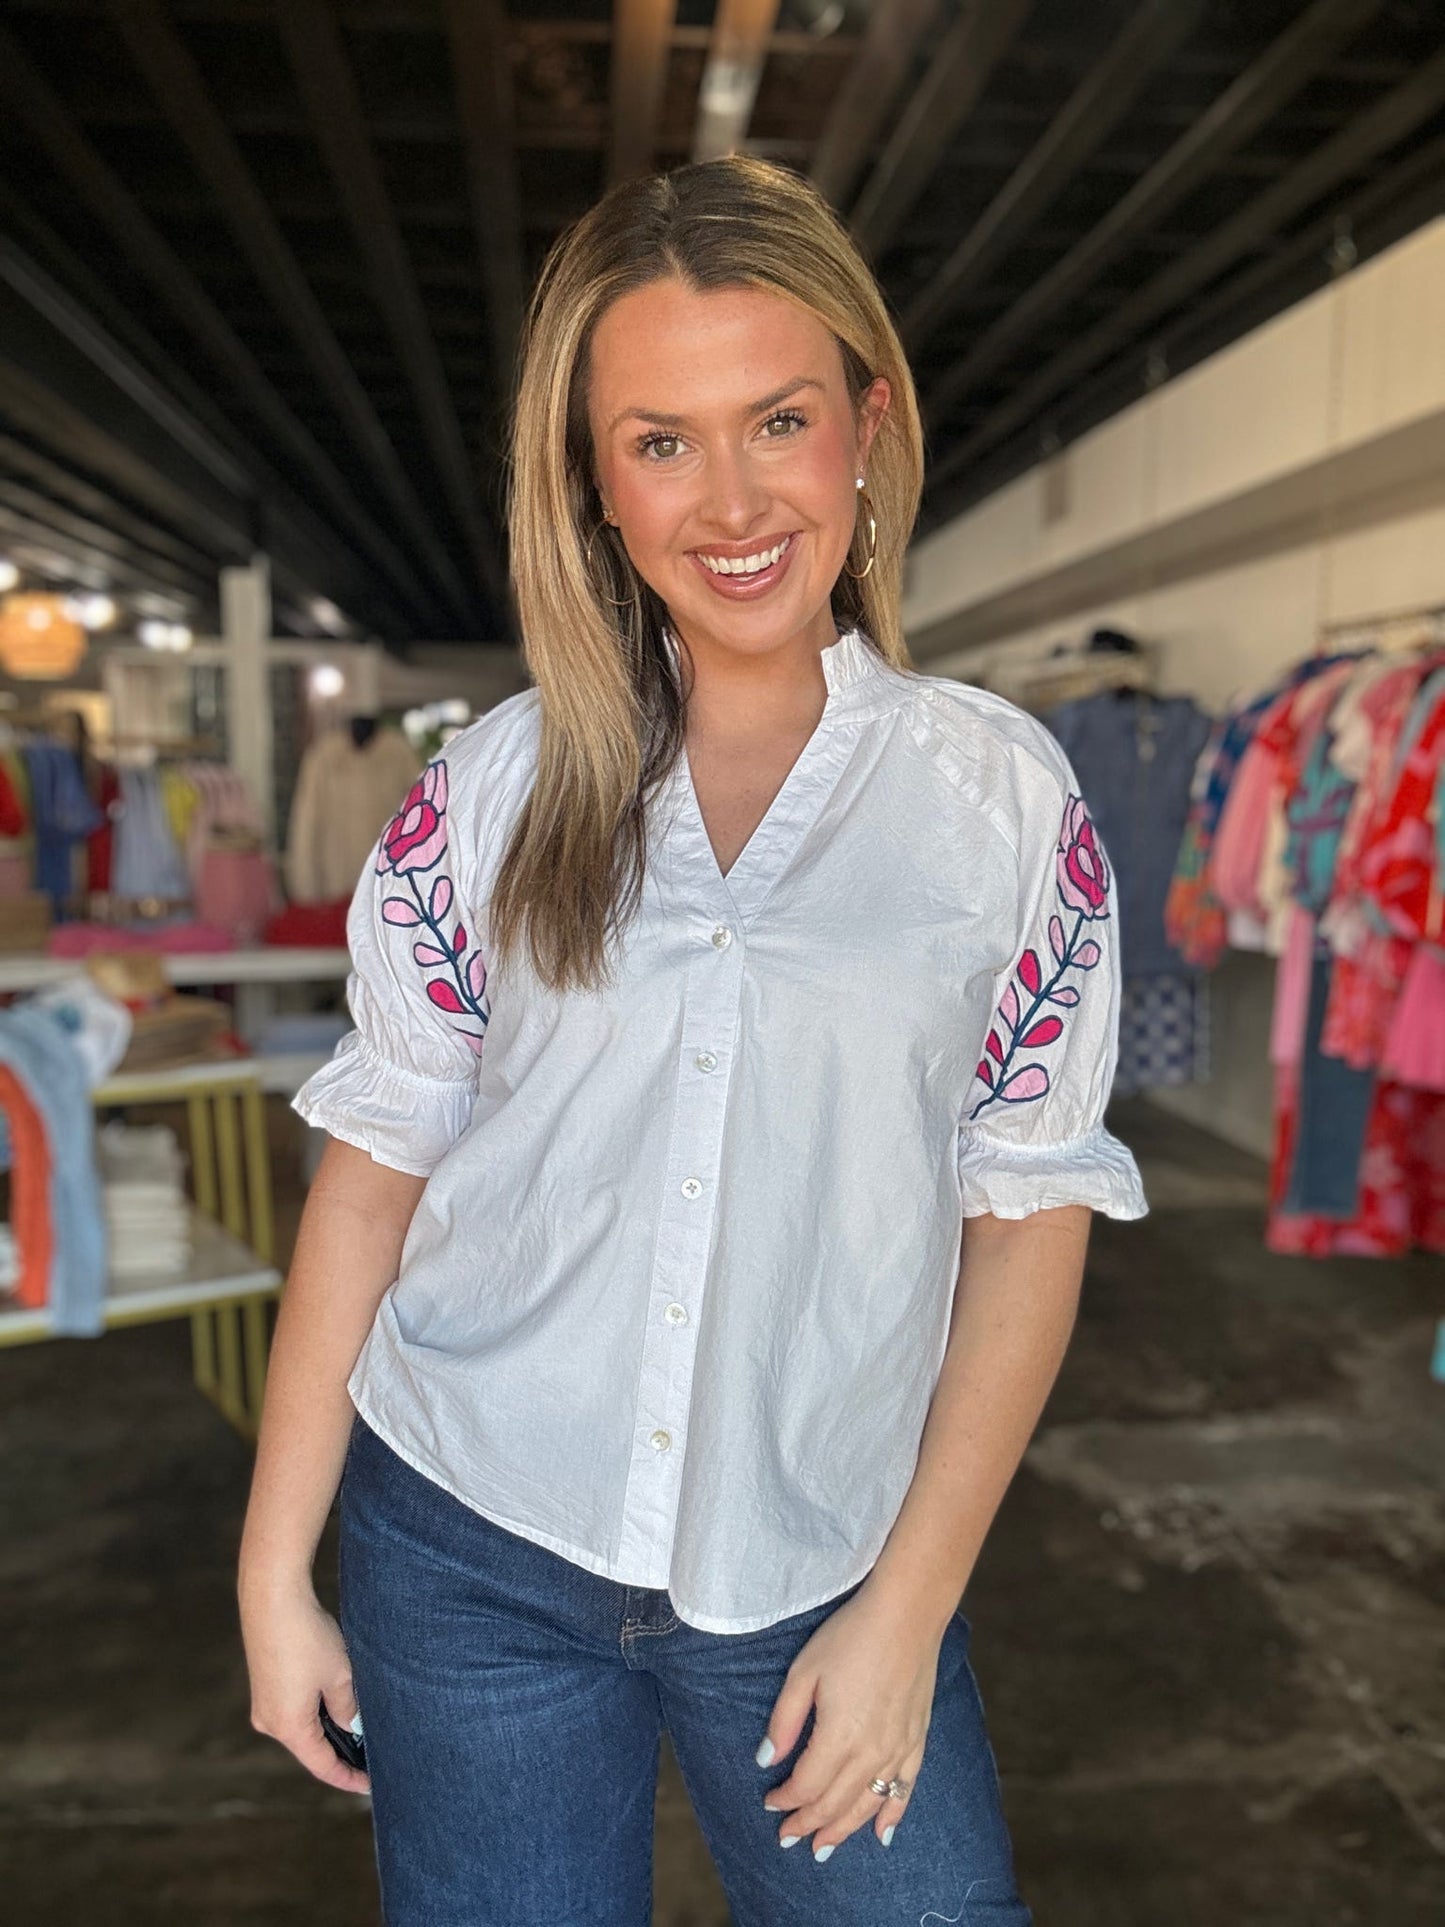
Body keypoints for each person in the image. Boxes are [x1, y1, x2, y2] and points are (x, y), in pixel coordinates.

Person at [238, 155, 1147, 1925]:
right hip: (470, 1547)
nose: (727, 498)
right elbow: (368, 1187)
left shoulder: (999, 806)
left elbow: (1025, 1221)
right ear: (594, 482)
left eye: (777, 420)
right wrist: (277, 1569)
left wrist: (906, 1613)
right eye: (658, 440)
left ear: (866, 426)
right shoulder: (487, 795)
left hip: (818, 1561)